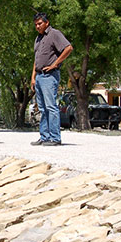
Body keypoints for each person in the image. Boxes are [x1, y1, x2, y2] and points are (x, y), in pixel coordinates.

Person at [30, 12, 73, 146]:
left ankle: (55, 137)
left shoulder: (54, 34)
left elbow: (68, 48)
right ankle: (44, 136)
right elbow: (36, 59)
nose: (37, 26)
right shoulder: (38, 39)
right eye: (36, 24)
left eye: (40, 23)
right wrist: (33, 77)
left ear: (47, 22)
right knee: (42, 108)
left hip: (50, 75)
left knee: (50, 106)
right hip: (39, 76)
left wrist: (55, 64)